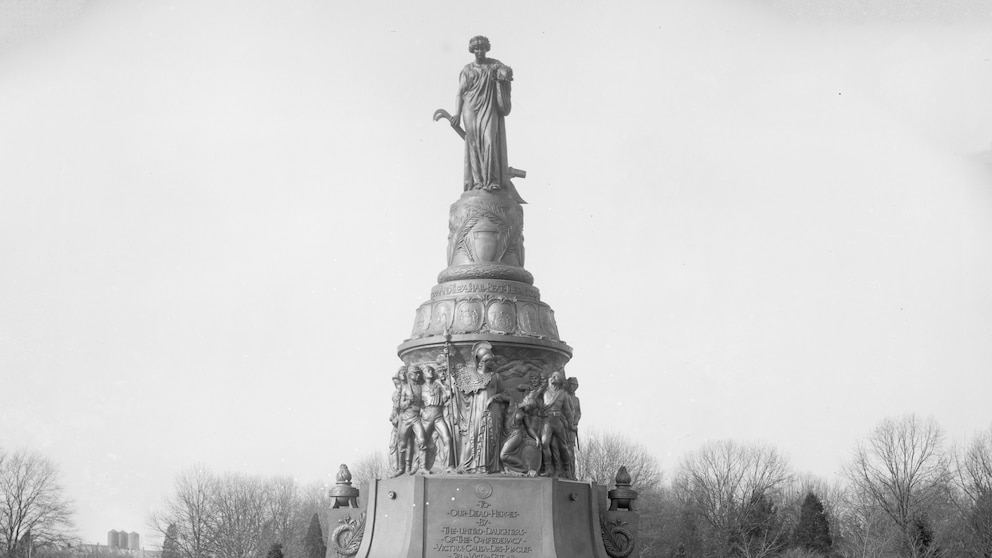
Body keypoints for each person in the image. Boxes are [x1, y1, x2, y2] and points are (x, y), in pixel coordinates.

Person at [450, 36, 523, 203]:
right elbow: (460, 93)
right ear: (472, 50)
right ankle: (478, 182)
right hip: (470, 108)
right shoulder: (467, 70)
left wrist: (503, 75)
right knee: (473, 143)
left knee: (489, 140)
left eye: (482, 48)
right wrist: (456, 114)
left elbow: (505, 72)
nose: (479, 51)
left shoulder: (494, 65)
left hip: (488, 108)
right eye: (476, 48)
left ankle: (491, 181)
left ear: (486, 49)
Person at [456, 341, 510, 473]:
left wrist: (496, 397)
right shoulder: (470, 377)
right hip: (476, 411)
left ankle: (488, 466)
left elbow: (505, 394)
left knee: (490, 437)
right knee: (474, 436)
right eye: (490, 361)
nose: (493, 363)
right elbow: (463, 394)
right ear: (482, 361)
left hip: (493, 411)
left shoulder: (496, 377)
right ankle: (473, 465)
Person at [538, 370, 575, 478]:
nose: (553, 380)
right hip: (547, 420)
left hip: (557, 421)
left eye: (556, 378)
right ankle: (548, 468)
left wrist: (571, 423)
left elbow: (567, 410)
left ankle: (566, 469)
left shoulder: (562, 394)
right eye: (552, 378)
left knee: (563, 446)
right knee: (544, 442)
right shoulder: (544, 392)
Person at [421, 364, 455, 472]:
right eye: (427, 371)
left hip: (439, 415)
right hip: (427, 415)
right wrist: (422, 411)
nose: (430, 372)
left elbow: (447, 395)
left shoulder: (438, 385)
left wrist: (449, 384)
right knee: (422, 440)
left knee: (447, 439)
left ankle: (449, 466)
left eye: (431, 370)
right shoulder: (420, 388)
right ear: (423, 374)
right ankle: (422, 467)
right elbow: (415, 402)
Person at [393, 365, 427, 476]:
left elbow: (423, 403)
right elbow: (400, 405)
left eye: (418, 374)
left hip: (416, 418)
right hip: (406, 418)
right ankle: (401, 468)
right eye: (415, 373)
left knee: (422, 440)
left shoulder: (421, 387)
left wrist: (421, 409)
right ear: (410, 375)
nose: (418, 375)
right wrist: (408, 402)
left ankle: (422, 467)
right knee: (402, 444)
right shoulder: (405, 387)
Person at [499, 393, 541, 476]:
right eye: (530, 407)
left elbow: (528, 428)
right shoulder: (512, 403)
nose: (530, 410)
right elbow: (501, 397)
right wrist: (491, 399)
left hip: (515, 435)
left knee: (504, 455)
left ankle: (526, 469)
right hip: (505, 434)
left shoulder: (524, 415)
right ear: (526, 403)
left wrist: (536, 438)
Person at [565, 376, 582, 479]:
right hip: (564, 427)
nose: (573, 387)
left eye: (575, 385)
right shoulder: (564, 396)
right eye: (571, 384)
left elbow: (579, 413)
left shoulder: (576, 399)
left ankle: (571, 473)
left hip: (572, 429)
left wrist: (575, 423)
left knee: (571, 450)